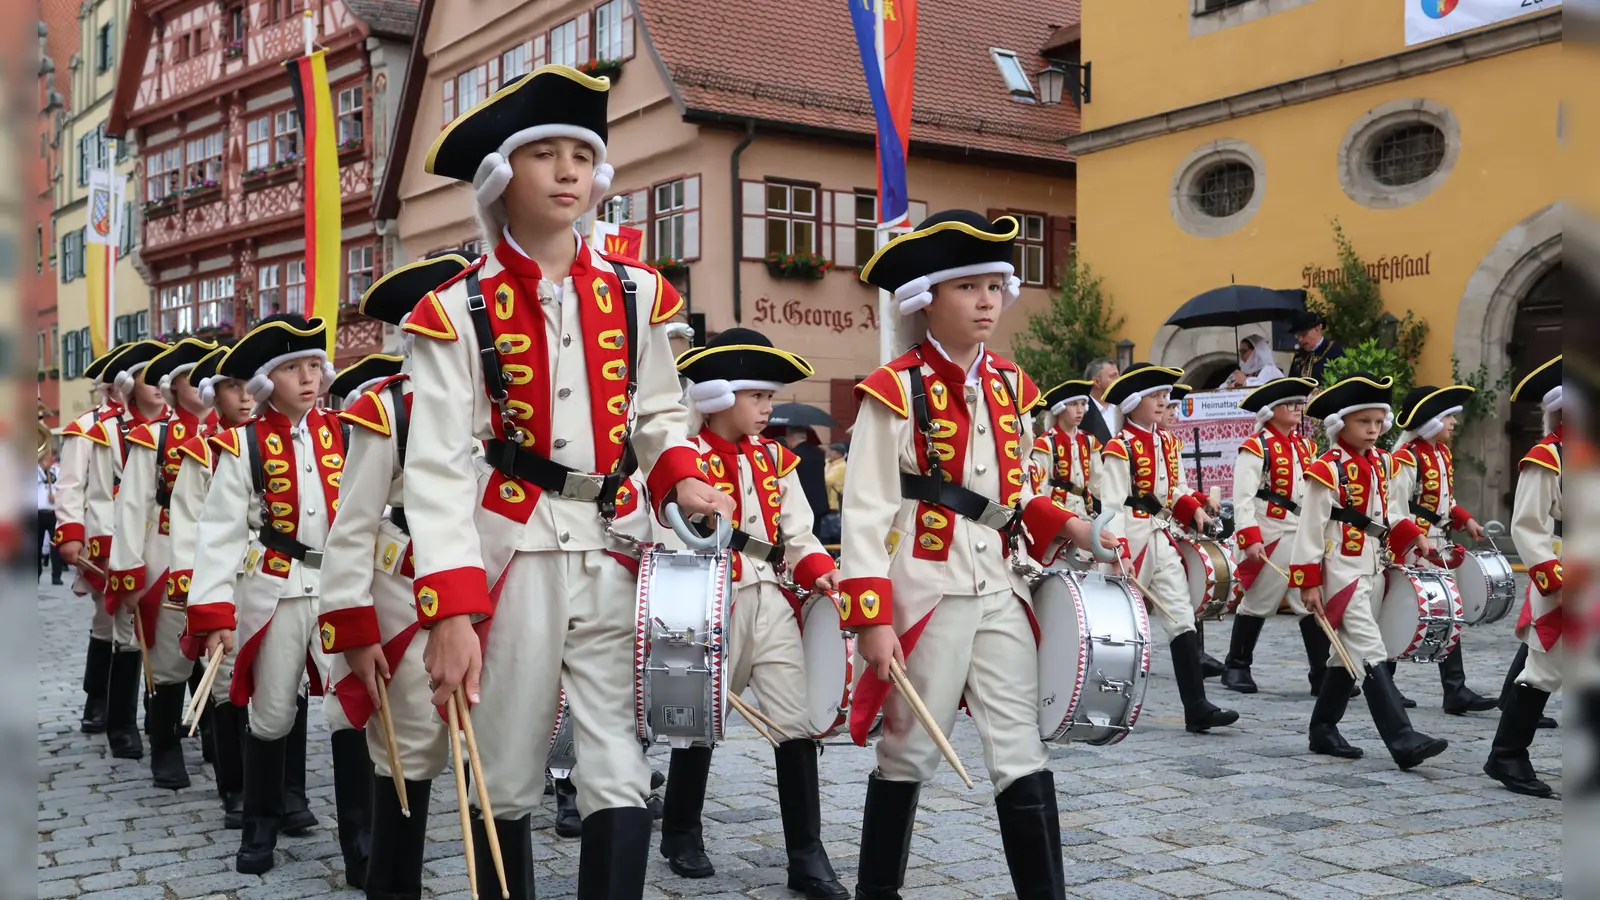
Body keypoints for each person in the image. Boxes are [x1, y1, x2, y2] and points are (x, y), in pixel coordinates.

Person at [400, 64, 730, 900]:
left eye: (580, 154)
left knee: (618, 764)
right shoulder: (452, 311)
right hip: (514, 552)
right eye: (543, 154)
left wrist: (683, 480)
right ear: (503, 177)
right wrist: (449, 607)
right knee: (506, 766)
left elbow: (658, 415)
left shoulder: (638, 293)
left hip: (618, 546)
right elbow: (437, 467)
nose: (567, 171)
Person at [844, 209, 1106, 900]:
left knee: (1021, 745)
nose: (988, 299)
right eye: (968, 286)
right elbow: (866, 510)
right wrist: (871, 617)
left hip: (999, 585)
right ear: (928, 298)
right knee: (908, 751)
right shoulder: (892, 388)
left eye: (995, 284)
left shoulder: (1014, 385)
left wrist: (1071, 526)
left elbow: (1016, 492)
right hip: (925, 590)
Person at [659, 328, 847, 899]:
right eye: (757, 396)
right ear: (718, 396)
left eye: (770, 397)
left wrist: (822, 572)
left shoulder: (777, 460)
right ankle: (681, 832)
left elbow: (800, 535)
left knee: (794, 724)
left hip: (772, 600)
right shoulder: (683, 460)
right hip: (713, 599)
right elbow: (665, 525)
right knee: (699, 721)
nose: (769, 408)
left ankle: (806, 856)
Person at [185, 314, 351, 876]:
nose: (307, 377)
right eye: (290, 368)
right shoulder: (240, 444)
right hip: (277, 590)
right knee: (273, 711)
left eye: (312, 365)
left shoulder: (349, 433)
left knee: (354, 712)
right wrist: (214, 612)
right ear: (265, 380)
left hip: (340, 589)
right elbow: (218, 533)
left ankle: (362, 840)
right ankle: (259, 826)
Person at [1289, 373, 1448, 769]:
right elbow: (1310, 528)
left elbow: (1393, 511)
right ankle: (1402, 738)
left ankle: (1323, 728)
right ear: (1343, 424)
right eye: (1365, 422)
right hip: (1341, 570)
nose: (1374, 429)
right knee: (1370, 649)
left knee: (1344, 657)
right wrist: (1308, 582)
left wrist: (1414, 536)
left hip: (1375, 566)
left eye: (1379, 422)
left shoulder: (1382, 463)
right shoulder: (1325, 469)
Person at [1098, 366, 1239, 731]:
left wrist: (1194, 510)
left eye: (1165, 395)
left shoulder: (1167, 442)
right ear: (1132, 404)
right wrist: (1119, 551)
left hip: (1161, 536)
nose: (1164, 402)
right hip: (1131, 539)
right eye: (1155, 396)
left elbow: (1173, 489)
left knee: (1181, 616)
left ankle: (1197, 707)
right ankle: (1101, 702)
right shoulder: (1120, 447)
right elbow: (1111, 504)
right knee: (1119, 624)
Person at [106, 337, 219, 790]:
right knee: (170, 654)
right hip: (167, 548)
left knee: (218, 645)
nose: (205, 384)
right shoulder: (154, 436)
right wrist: (128, 572)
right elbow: (131, 506)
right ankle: (165, 745)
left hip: (219, 550)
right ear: (174, 387)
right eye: (195, 378)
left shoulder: (230, 435)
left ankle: (214, 731)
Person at [167, 344, 259, 830]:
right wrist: (197, 595)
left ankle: (284, 792)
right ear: (214, 394)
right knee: (224, 685)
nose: (244, 398)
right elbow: (187, 525)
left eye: (249, 385)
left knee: (285, 686)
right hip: (224, 580)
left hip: (275, 579)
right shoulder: (202, 451)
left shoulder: (287, 443)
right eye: (231, 387)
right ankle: (236, 789)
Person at [72, 340, 172, 760]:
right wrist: (77, 533)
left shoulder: (178, 430)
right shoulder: (100, 429)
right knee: (121, 629)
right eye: (150, 377)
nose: (159, 385)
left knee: (169, 629)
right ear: (129, 386)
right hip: (120, 537)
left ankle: (159, 713)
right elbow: (83, 489)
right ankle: (118, 721)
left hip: (166, 540)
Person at [1221, 377, 1339, 695]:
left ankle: (1321, 673)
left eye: (1300, 404)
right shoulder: (1255, 446)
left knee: (1308, 601)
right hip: (1270, 531)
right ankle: (1236, 666)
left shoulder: (1305, 447)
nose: (1299, 409)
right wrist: (1250, 537)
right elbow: (1243, 497)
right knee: (1260, 600)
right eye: (1292, 404)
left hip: (1299, 531)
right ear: (1272, 411)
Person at [1387, 385, 1498, 715]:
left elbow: (1445, 501)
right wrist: (1413, 538)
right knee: (1402, 609)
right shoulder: (1407, 458)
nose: (1453, 423)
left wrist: (1466, 520)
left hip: (1437, 541)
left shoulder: (1442, 454)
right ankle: (1386, 682)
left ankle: (1455, 689)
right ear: (1432, 421)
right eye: (1448, 417)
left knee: (1450, 610)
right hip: (1413, 545)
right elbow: (1394, 506)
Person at [1483, 355, 1562, 797]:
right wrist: (1554, 576)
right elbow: (1528, 526)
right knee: (1545, 668)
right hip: (1567, 569)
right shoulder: (1546, 456)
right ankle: (1507, 753)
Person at [53, 344, 133, 737]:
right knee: (107, 621)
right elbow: (70, 487)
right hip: (106, 539)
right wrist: (71, 534)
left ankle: (147, 704)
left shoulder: (161, 424)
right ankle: (97, 698)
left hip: (150, 537)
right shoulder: (86, 428)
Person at [1029, 379, 1101, 519]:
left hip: (1085, 511)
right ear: (1060, 408)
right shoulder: (1046, 443)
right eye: (1073, 404)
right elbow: (1040, 486)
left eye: (1083, 404)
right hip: (1056, 513)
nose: (1080, 410)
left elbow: (1098, 482)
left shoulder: (1089, 441)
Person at [783, 426, 832, 533]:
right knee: (816, 536)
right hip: (819, 502)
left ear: (791, 437)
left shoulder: (792, 455)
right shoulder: (819, 452)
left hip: (801, 503)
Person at [1287, 311, 1345, 383]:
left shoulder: (1335, 351)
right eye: (1297, 336)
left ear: (1318, 328)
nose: (1300, 339)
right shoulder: (1299, 357)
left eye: (1303, 334)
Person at [39, 451, 64, 584]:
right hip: (38, 513)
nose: (47, 460)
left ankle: (56, 576)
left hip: (53, 513)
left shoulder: (57, 471)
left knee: (56, 546)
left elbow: (64, 487)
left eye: (49, 457)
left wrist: (57, 496)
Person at [1083, 357, 1119, 442]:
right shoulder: (1082, 413)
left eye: (1118, 374)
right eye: (1113, 376)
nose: (1119, 379)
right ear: (1096, 382)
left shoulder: (1122, 408)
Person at [821, 441, 846, 545]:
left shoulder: (842, 466)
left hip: (834, 505)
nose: (829, 454)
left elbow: (827, 480)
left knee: (833, 532)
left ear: (838, 454)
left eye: (832, 452)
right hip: (827, 503)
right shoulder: (829, 464)